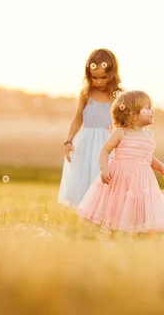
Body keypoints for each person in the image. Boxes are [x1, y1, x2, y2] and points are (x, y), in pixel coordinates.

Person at [76, 90, 164, 235]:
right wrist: (104, 169)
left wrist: (160, 166)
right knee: (118, 204)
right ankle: (114, 235)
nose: (152, 111)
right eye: (147, 108)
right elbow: (104, 151)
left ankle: (141, 234)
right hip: (121, 177)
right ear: (133, 114)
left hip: (142, 179)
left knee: (141, 205)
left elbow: (147, 157)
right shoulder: (121, 132)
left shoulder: (149, 135)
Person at [57, 48, 123, 208]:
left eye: (103, 77)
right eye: (94, 78)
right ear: (88, 75)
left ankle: (104, 212)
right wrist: (68, 140)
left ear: (112, 74)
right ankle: (87, 213)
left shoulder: (119, 94)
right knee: (85, 177)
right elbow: (78, 118)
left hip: (108, 142)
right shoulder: (86, 94)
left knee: (104, 177)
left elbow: (125, 121)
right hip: (86, 142)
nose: (99, 82)